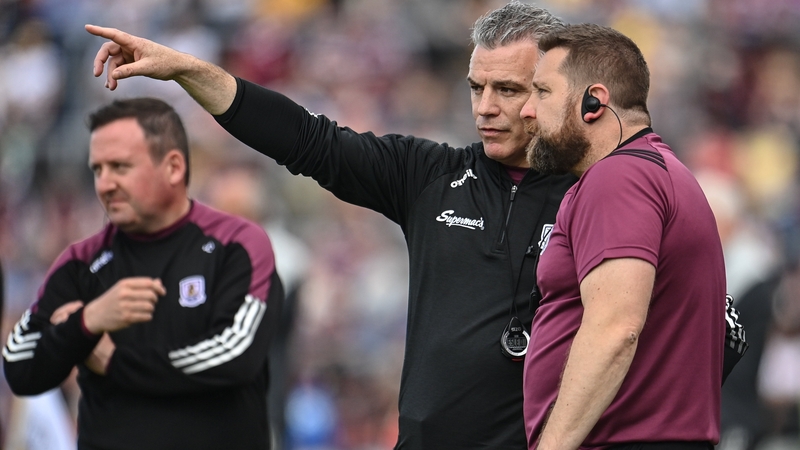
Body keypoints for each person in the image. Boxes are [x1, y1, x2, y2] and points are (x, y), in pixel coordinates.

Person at [85, 3, 578, 448]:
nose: (485, 107)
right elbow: (306, 138)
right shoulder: (430, 175)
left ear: (554, 89)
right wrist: (186, 70)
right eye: (476, 87)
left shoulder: (597, 191)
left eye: (507, 90)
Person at [2, 98, 284, 450]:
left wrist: (115, 361)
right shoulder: (81, 261)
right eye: (97, 169)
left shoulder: (237, 245)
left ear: (173, 167)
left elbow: (234, 356)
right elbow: (18, 364)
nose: (105, 184)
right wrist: (87, 323)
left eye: (120, 167)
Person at [519, 23, 726, 449]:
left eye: (542, 92)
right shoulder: (660, 172)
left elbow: (616, 328)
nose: (527, 110)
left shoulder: (619, 176)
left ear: (593, 102)